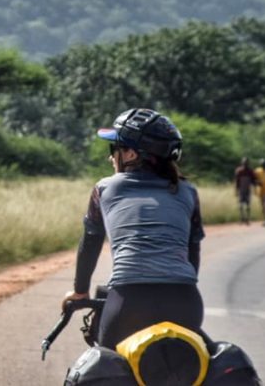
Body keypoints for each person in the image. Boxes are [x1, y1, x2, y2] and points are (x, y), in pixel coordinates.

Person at [63, 108, 206, 350]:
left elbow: (90, 243)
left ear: (129, 154)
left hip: (129, 302)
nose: (111, 157)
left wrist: (80, 293)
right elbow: (193, 254)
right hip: (186, 301)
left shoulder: (105, 188)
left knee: (108, 365)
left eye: (114, 149)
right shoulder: (187, 191)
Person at [234, 157, 256, 224]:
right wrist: (236, 190)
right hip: (241, 189)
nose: (245, 164)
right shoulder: (239, 171)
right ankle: (242, 218)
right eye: (244, 162)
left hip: (247, 189)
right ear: (242, 163)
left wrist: (255, 187)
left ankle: (247, 219)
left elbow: (253, 180)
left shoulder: (250, 171)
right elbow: (237, 181)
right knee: (240, 205)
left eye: (246, 163)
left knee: (248, 205)